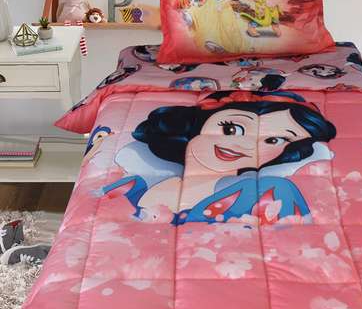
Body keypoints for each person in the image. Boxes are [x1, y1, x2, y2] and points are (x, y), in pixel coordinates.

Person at [100, 90, 336, 224]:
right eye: (232, 128)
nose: (242, 145)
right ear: (202, 121)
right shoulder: (133, 184)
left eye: (273, 141)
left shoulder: (273, 191)